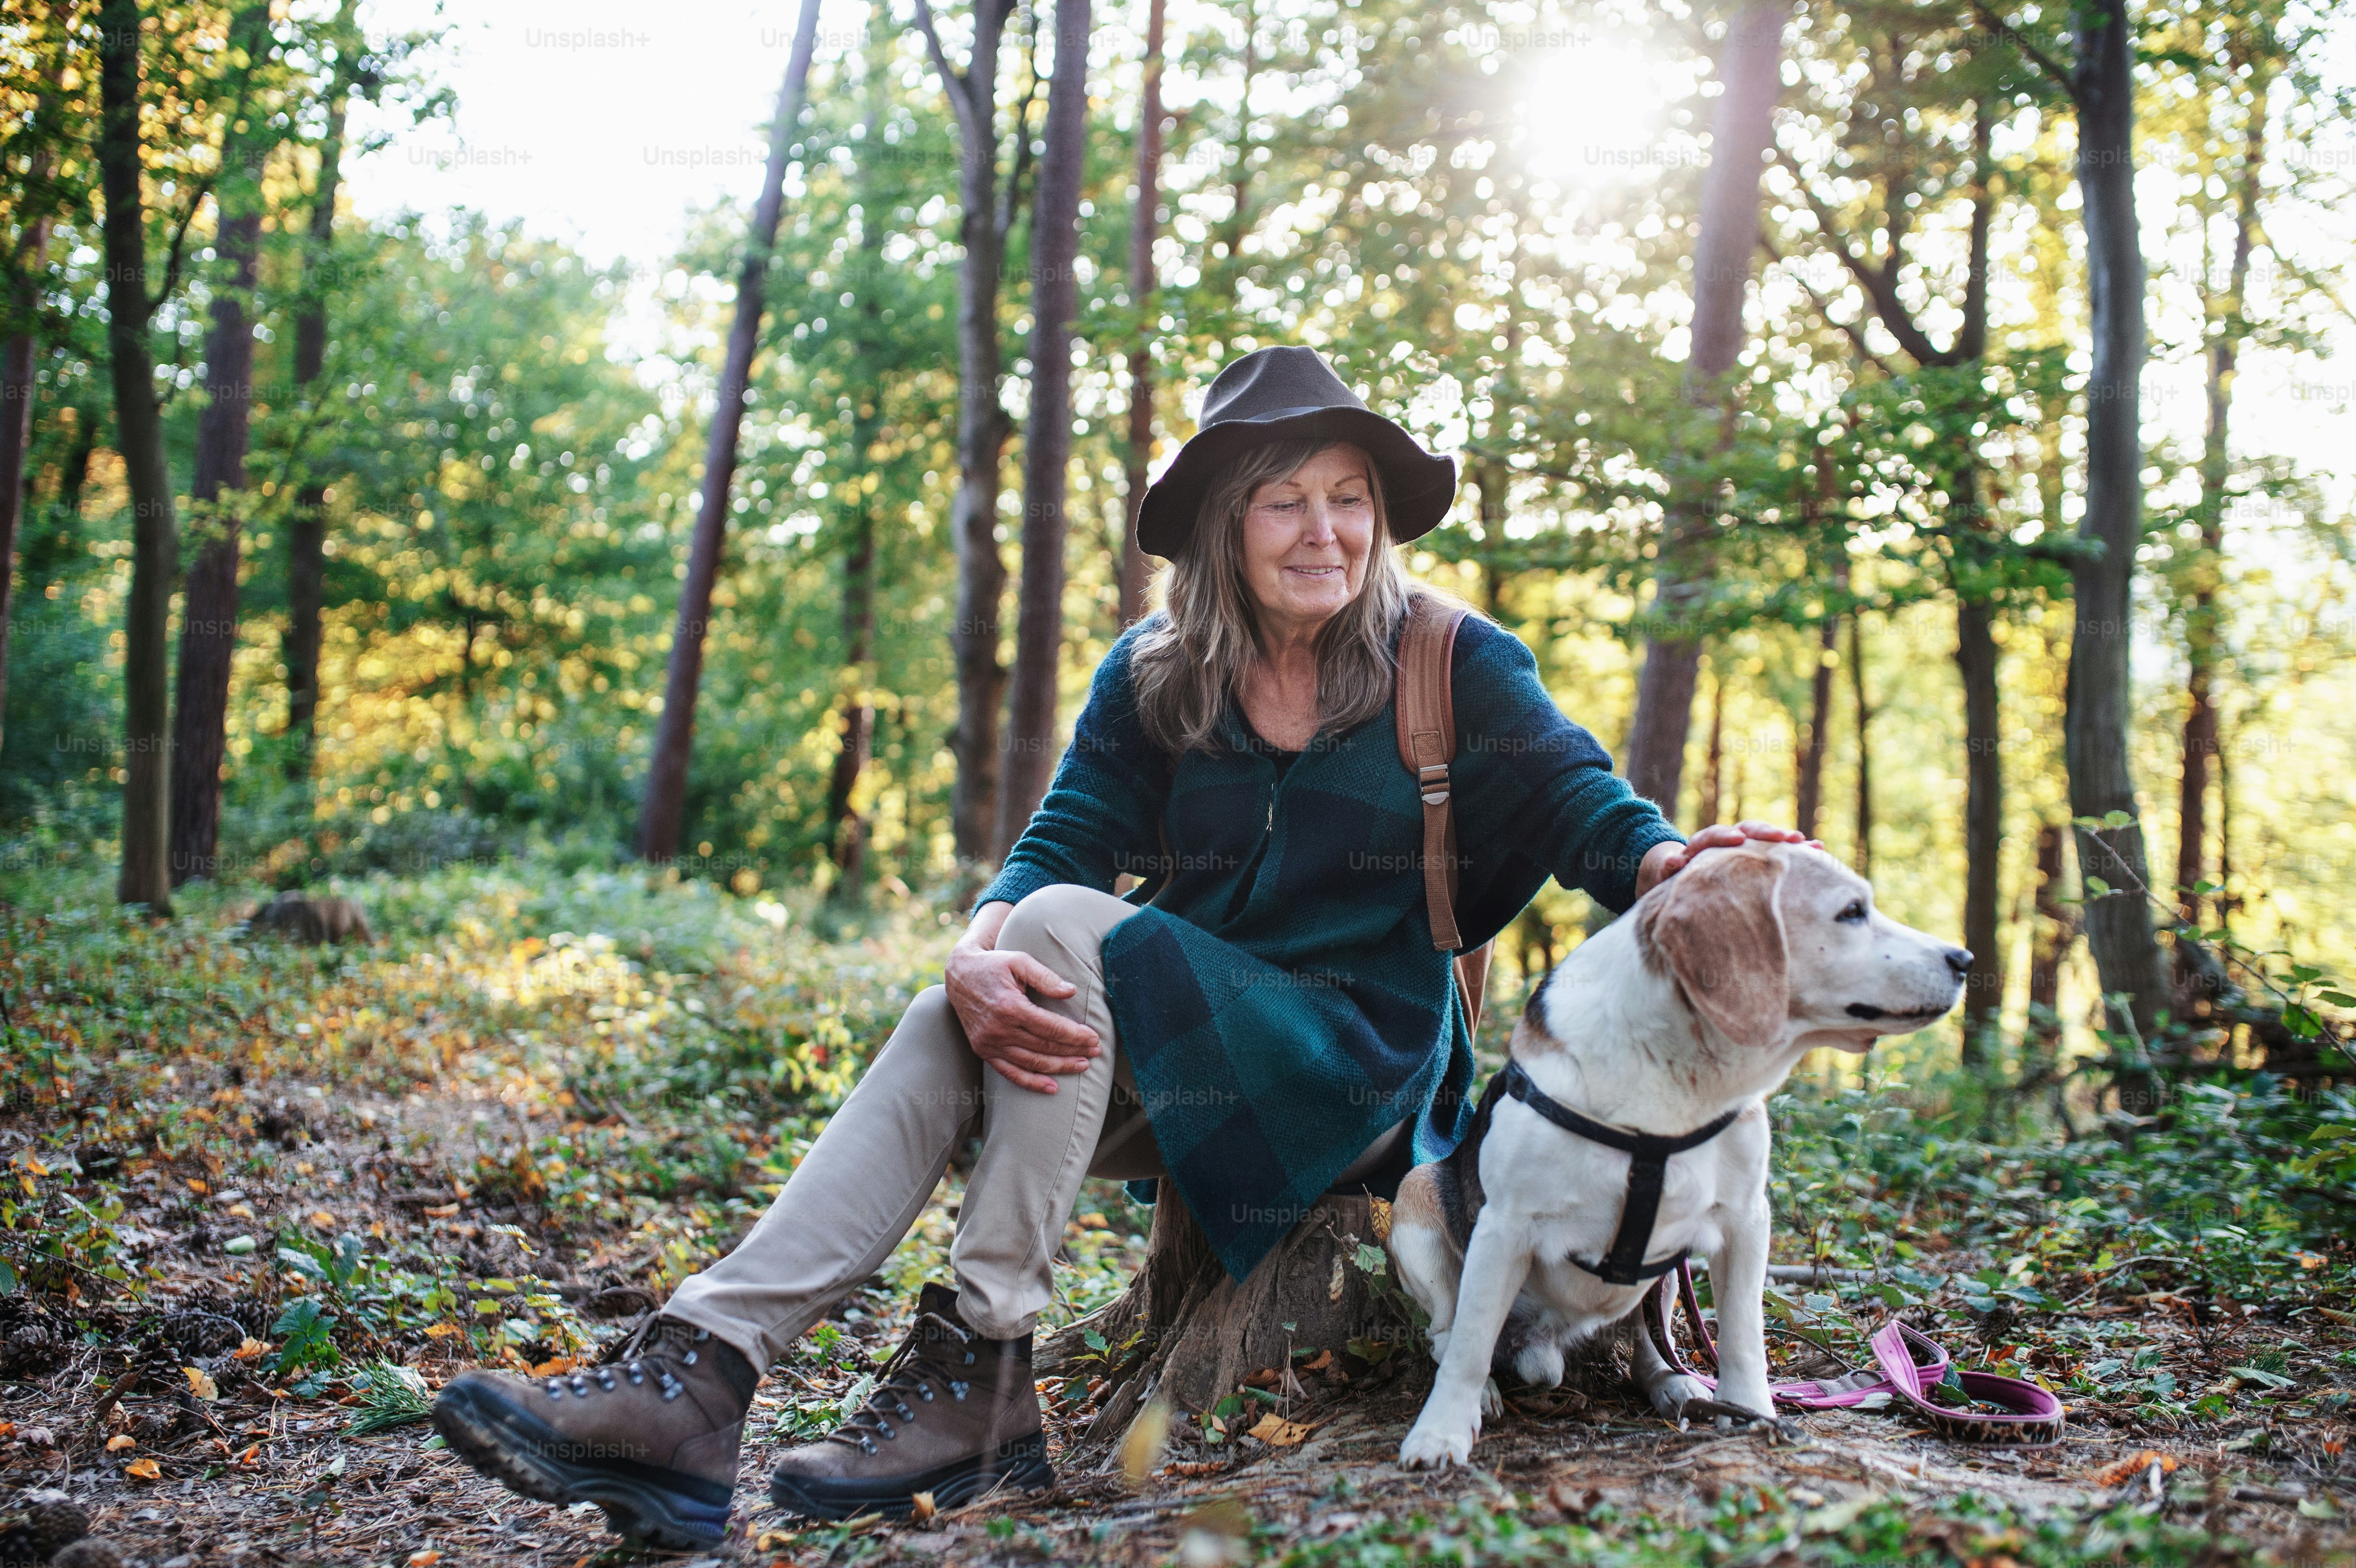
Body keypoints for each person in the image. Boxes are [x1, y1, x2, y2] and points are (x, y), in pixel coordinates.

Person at [431, 344, 1806, 1544]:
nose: (1325, 530)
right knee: (950, 1012)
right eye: (1286, 500)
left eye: (1351, 499)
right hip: (1188, 1046)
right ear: (1225, 521)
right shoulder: (1160, 671)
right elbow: (1061, 843)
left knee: (1057, 942)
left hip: (1360, 1063)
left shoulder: (1451, 660)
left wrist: (1674, 862)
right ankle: (703, 1372)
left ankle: (983, 1359)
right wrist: (973, 953)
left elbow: (1580, 798)